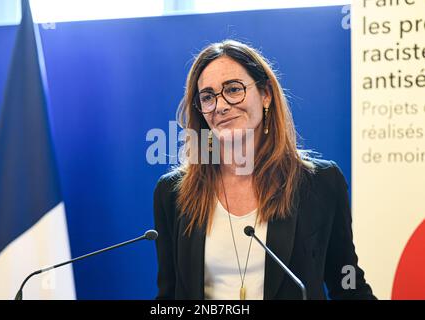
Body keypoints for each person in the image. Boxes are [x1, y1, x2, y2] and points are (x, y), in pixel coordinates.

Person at [153, 39, 376, 300]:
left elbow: (347, 283)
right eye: (207, 97)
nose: (221, 105)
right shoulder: (173, 193)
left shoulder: (320, 183)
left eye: (233, 89)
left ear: (265, 94)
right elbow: (168, 296)